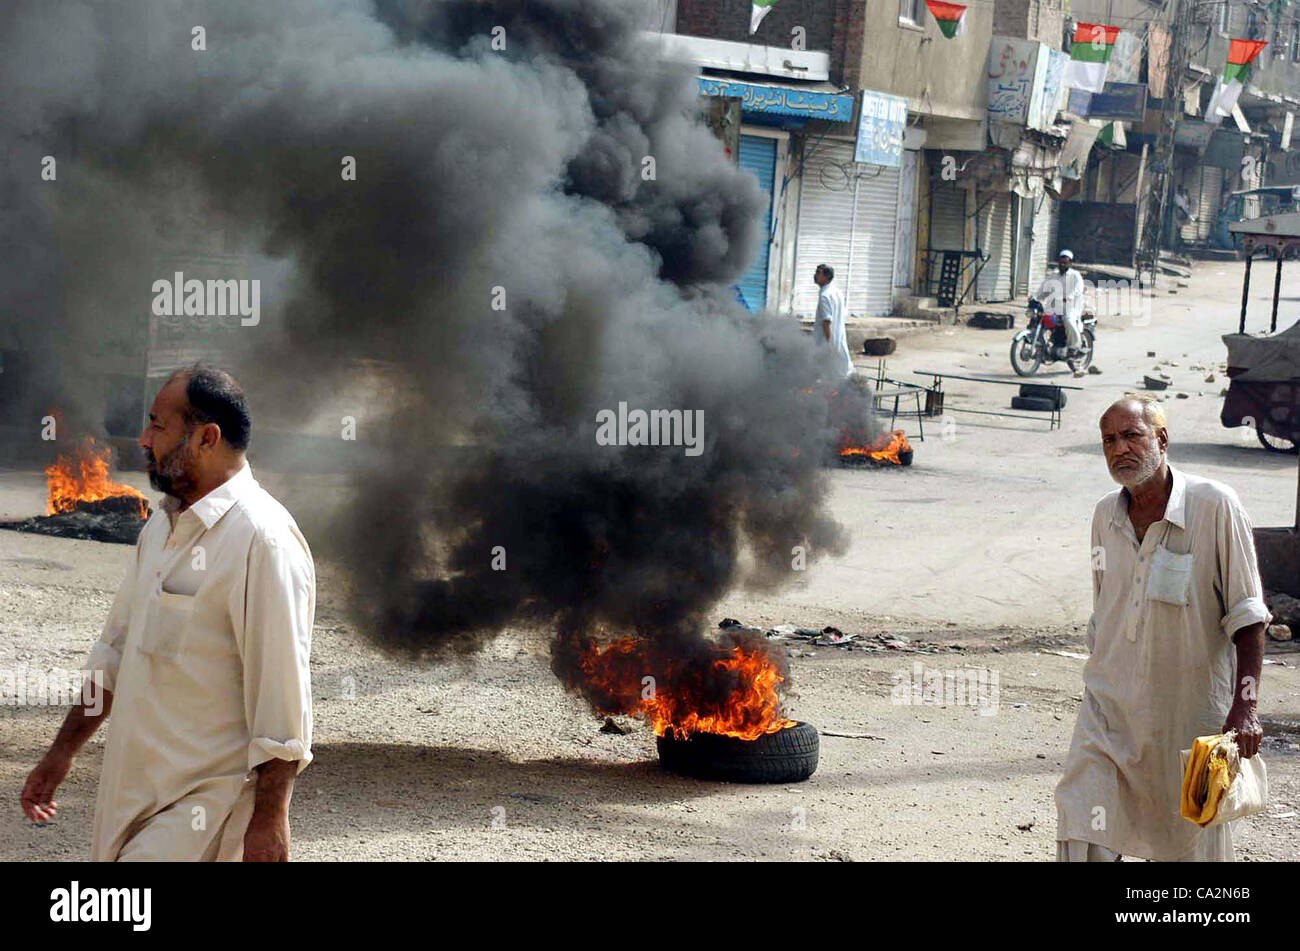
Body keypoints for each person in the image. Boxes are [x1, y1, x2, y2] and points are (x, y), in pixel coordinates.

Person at [20, 363, 315, 861]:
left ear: (206, 437)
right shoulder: (160, 526)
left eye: (158, 424)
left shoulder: (261, 541)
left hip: (202, 811)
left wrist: (270, 819)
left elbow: (281, 694)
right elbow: (114, 652)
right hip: (129, 801)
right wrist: (61, 752)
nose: (142, 438)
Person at [1055, 395, 1269, 862]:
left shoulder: (1215, 506)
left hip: (1187, 718)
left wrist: (1245, 707)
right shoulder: (1103, 517)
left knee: (1189, 843)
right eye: (1109, 440)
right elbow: (1106, 612)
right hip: (1109, 712)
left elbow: (1248, 618)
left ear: (1162, 439)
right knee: (1083, 816)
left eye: (1132, 435)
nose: (1119, 449)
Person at [1031, 249, 1086, 362]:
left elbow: (1078, 290)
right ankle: (1045, 346)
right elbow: (1044, 289)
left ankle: (1074, 348)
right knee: (1041, 319)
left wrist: (1068, 297)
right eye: (1061, 262)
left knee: (1068, 320)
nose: (1062, 265)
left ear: (1070, 263)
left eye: (1065, 262)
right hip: (1055, 306)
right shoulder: (1054, 276)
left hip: (1072, 306)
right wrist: (1034, 297)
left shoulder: (1075, 276)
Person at [813, 263, 853, 378]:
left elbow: (826, 322)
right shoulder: (837, 292)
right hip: (839, 338)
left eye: (818, 273)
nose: (815, 275)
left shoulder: (825, 296)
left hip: (826, 341)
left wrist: (828, 345)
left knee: (827, 374)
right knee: (842, 370)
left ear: (826, 277)